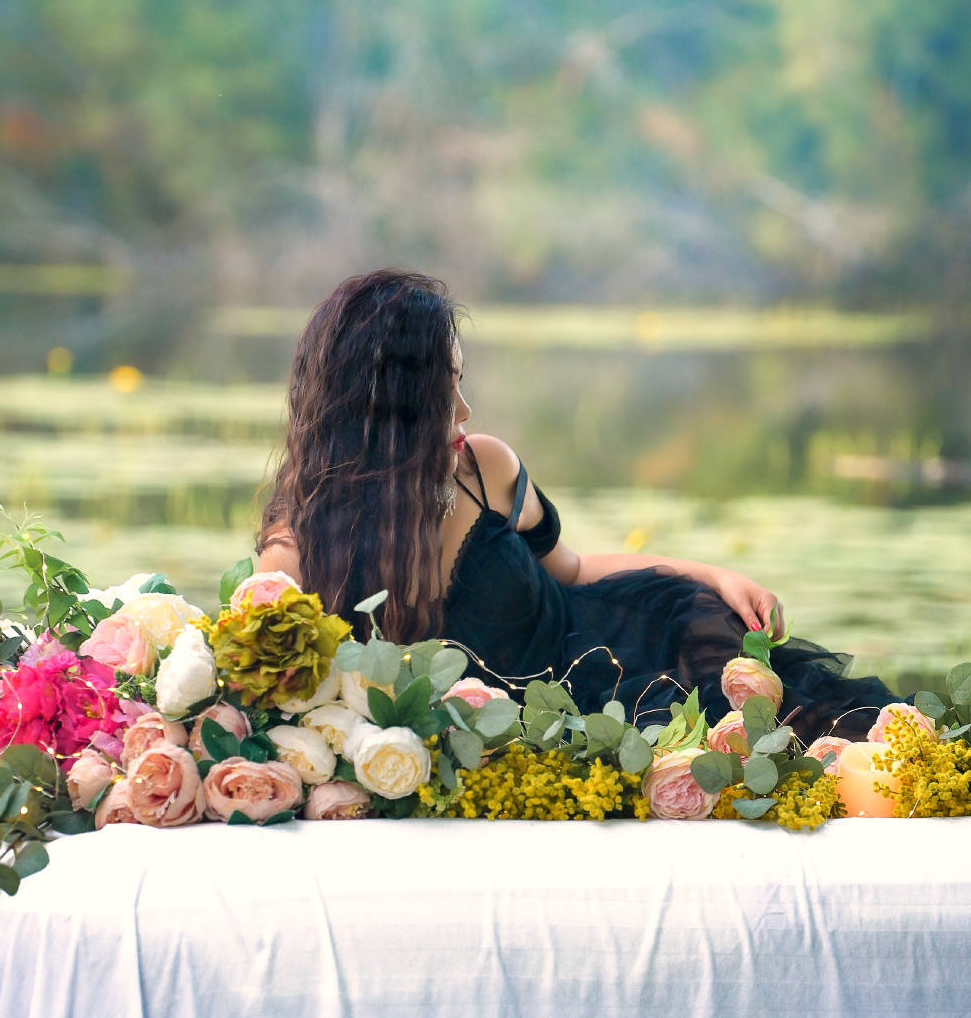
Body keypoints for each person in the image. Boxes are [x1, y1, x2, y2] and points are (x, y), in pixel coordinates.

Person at [258, 269, 899, 741]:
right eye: (442, 392)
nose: (463, 410)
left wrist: (712, 575)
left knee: (843, 736)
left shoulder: (484, 467)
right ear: (386, 413)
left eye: (460, 381)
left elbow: (572, 571)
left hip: (627, 667)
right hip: (527, 737)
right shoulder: (295, 558)